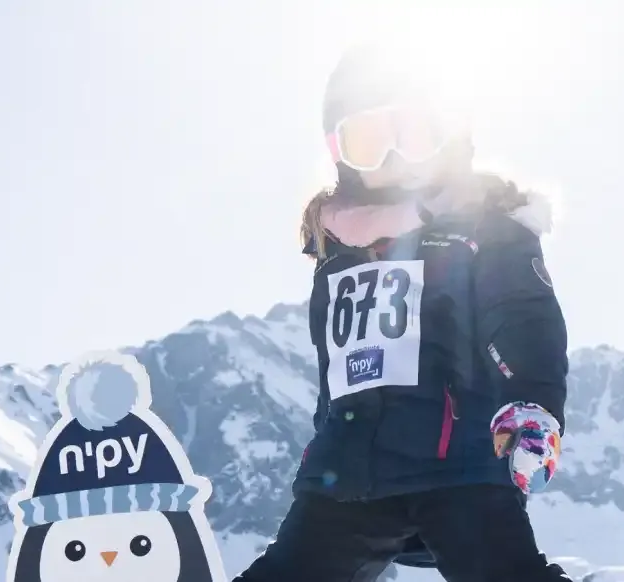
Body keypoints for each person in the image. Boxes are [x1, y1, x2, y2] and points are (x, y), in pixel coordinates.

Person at [231, 40, 574, 582]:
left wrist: (531, 405)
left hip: (460, 467)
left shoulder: (486, 228)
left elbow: (524, 317)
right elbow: (341, 367)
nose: (391, 158)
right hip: (349, 477)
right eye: (368, 141)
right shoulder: (336, 247)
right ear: (339, 153)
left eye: (412, 135)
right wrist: (328, 438)